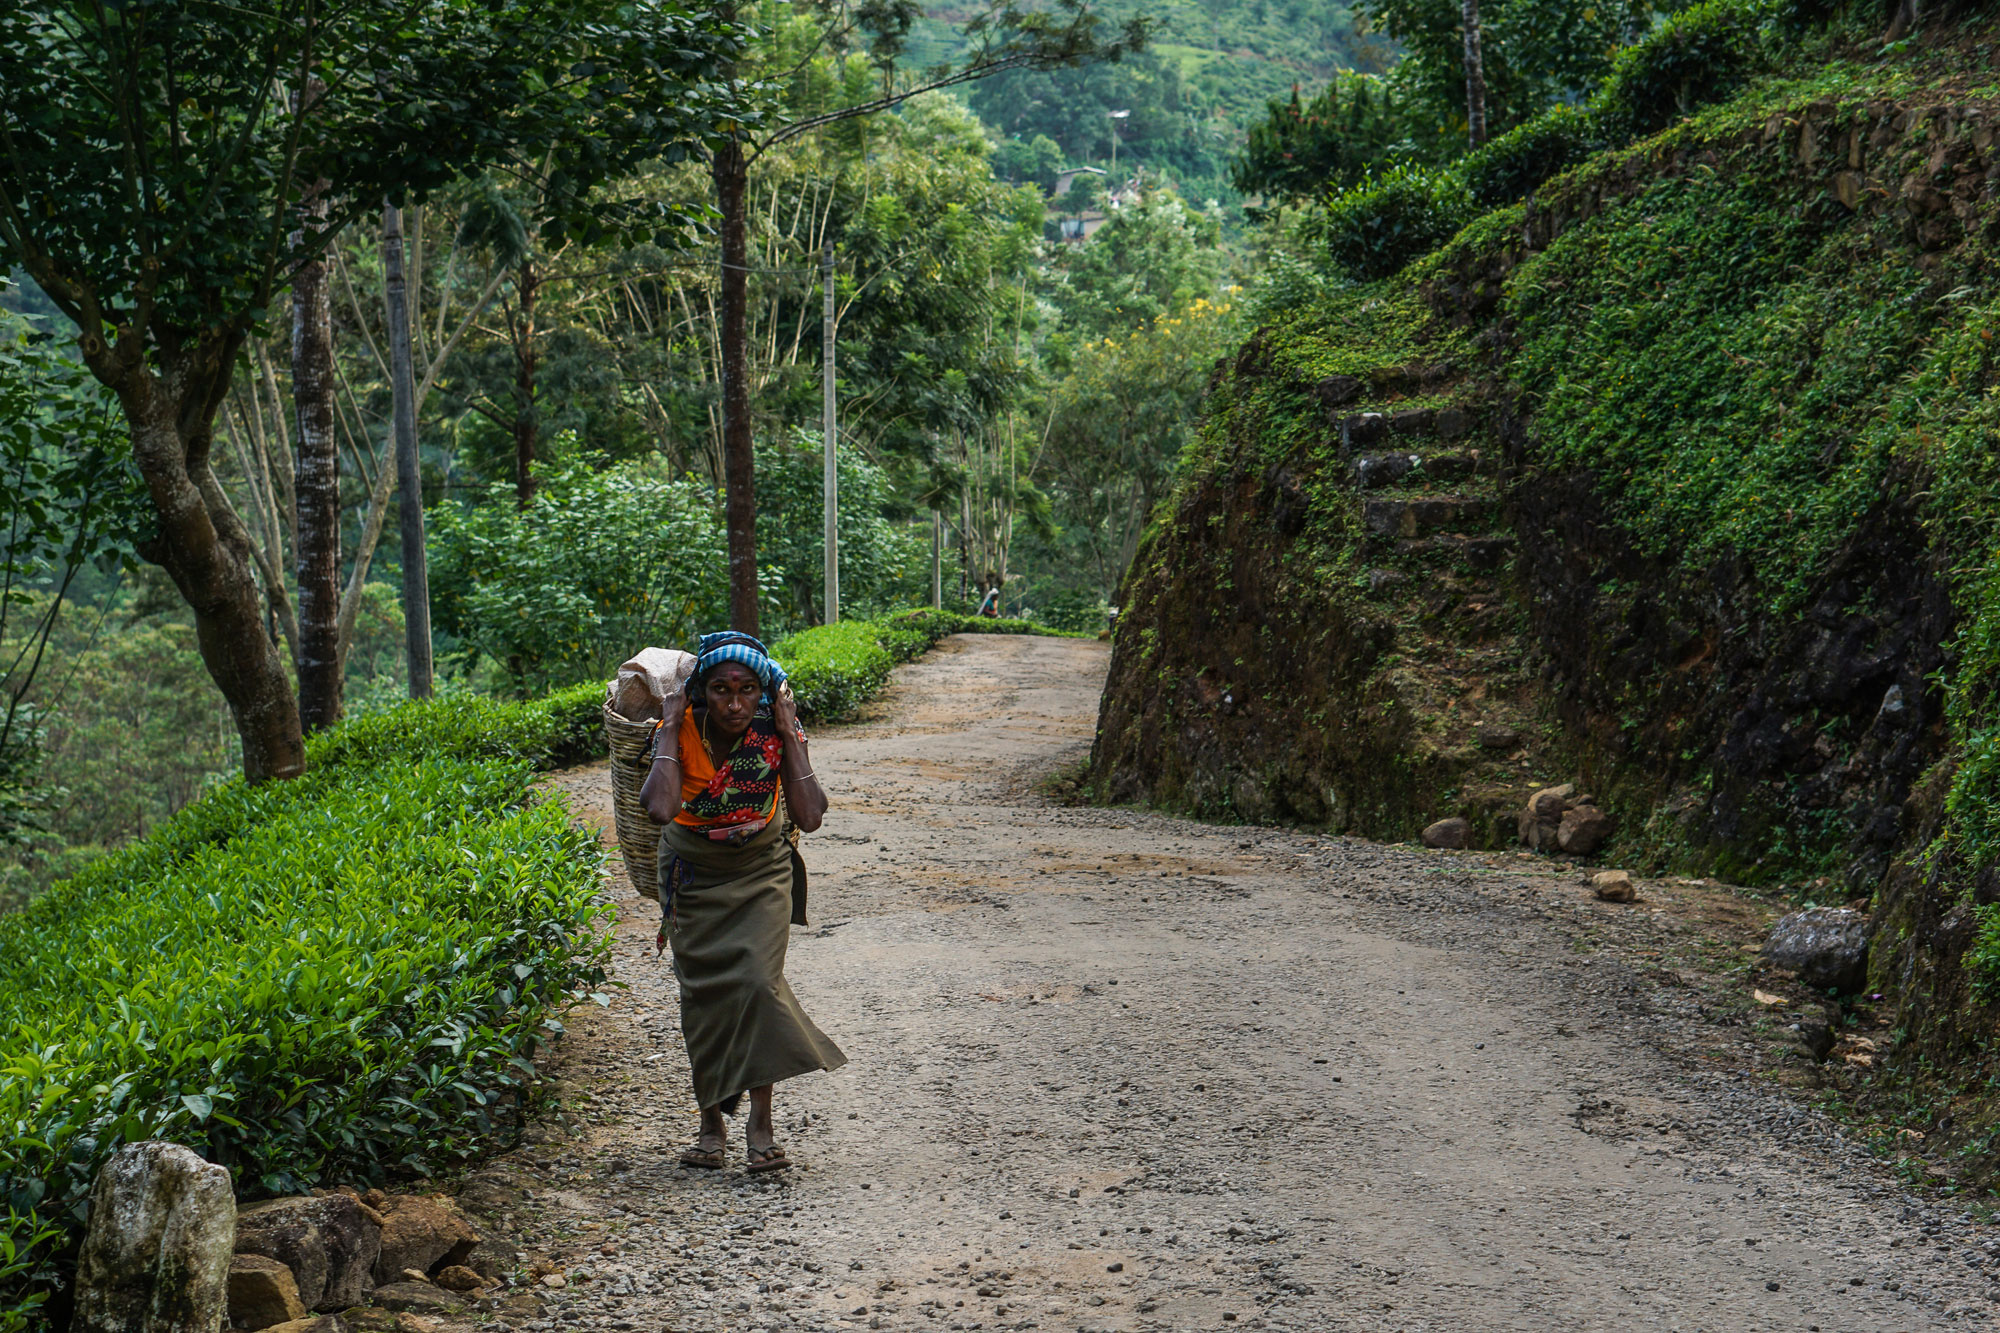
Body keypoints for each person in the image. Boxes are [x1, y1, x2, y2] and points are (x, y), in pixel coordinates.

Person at [638, 630, 846, 1172]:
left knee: (756, 983)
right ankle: (710, 1123)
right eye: (722, 690)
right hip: (693, 875)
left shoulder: (775, 733)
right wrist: (670, 719)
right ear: (704, 693)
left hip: (760, 870)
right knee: (703, 998)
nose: (735, 703)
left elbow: (811, 816)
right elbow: (659, 809)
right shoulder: (681, 729)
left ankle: (760, 1120)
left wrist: (790, 732)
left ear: (763, 694)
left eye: (748, 690)